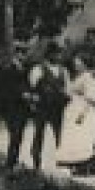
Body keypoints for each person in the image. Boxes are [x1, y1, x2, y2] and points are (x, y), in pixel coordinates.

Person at [54, 55, 95, 174]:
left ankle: (82, 165)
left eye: (78, 62)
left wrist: (82, 114)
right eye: (75, 63)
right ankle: (72, 163)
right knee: (72, 137)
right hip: (73, 108)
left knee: (81, 137)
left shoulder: (88, 77)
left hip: (82, 110)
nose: (76, 65)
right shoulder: (77, 77)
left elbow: (91, 98)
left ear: (84, 63)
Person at [27, 42, 70, 171]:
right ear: (49, 54)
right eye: (56, 53)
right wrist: (33, 102)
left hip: (58, 107)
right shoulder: (38, 69)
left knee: (60, 133)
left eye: (59, 53)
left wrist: (66, 97)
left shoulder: (63, 70)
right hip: (43, 106)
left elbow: (67, 88)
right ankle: (36, 160)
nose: (58, 56)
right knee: (39, 133)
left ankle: (61, 159)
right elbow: (32, 86)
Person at [0, 44, 33, 172]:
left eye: (25, 53)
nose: (24, 56)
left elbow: (29, 85)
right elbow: (5, 90)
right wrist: (20, 94)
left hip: (23, 108)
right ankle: (10, 163)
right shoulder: (8, 70)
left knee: (19, 135)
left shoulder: (26, 69)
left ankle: (13, 161)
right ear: (16, 54)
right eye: (21, 53)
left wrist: (28, 95)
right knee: (15, 134)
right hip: (11, 108)